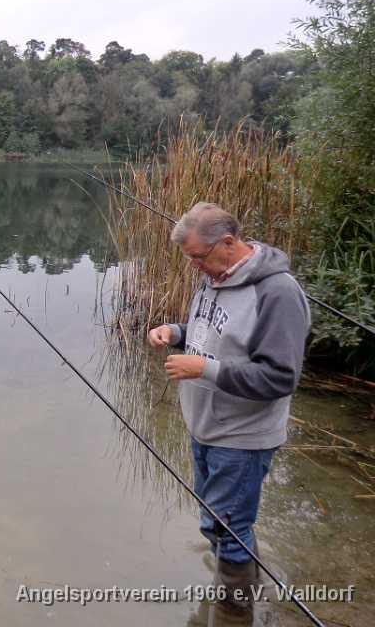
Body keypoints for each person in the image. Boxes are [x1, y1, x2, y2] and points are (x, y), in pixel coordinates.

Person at [147, 203, 311, 618]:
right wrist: (178, 332)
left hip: (242, 437)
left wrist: (203, 368)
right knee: (215, 523)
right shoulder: (215, 275)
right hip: (205, 427)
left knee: (229, 529)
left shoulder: (278, 293)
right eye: (189, 259)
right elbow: (213, 333)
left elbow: (279, 377)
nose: (195, 266)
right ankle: (243, 587)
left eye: (198, 257)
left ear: (227, 243)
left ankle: (234, 612)